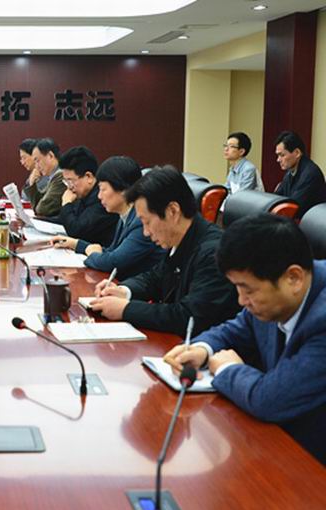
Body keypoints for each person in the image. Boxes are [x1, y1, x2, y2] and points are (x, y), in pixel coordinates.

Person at [164, 214, 326, 465]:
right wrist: (202, 349)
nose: (241, 301)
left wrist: (226, 368)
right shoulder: (275, 293)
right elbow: (236, 328)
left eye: (248, 290)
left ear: (293, 278)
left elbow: (270, 400)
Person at [90, 165, 240, 337]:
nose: (146, 232)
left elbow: (189, 316)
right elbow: (155, 278)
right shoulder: (180, 239)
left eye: (147, 222)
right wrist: (124, 290)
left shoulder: (213, 252)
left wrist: (126, 309)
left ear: (172, 211)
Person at [53, 156, 164, 280]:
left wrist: (92, 252)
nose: (99, 196)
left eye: (103, 189)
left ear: (123, 189)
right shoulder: (125, 215)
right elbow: (112, 251)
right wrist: (76, 244)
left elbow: (112, 262)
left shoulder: (141, 222)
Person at [50, 146, 118, 246]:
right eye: (66, 181)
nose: (69, 187)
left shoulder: (102, 199)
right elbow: (68, 220)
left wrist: (66, 204)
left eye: (70, 181)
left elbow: (76, 231)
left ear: (88, 177)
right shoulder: (83, 195)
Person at [273, 130, 326, 216]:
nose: (278, 160)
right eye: (278, 155)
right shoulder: (290, 172)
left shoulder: (310, 174)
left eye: (282, 155)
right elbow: (276, 197)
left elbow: (293, 207)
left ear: (297, 153)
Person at [23, 137, 65, 217]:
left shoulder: (61, 175)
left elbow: (42, 209)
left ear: (50, 156)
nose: (36, 166)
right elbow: (38, 206)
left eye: (37, 160)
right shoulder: (52, 176)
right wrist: (32, 184)